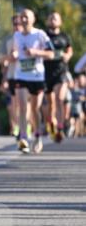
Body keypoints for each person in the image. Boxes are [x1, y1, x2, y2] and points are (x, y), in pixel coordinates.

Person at [9, 9, 53, 154]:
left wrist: (36, 53)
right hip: (21, 76)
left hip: (37, 77)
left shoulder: (40, 34)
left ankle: (37, 136)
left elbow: (51, 54)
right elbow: (14, 52)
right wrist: (13, 55)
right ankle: (23, 138)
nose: (24, 20)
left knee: (35, 109)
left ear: (33, 19)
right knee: (22, 106)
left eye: (27, 17)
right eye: (22, 17)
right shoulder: (16, 35)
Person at [43, 11, 73, 143]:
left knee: (59, 98)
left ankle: (60, 128)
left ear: (60, 21)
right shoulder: (43, 36)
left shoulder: (64, 36)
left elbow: (69, 49)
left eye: (55, 18)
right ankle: (51, 125)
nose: (53, 20)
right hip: (46, 73)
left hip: (61, 72)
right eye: (50, 18)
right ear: (47, 21)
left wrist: (68, 55)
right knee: (51, 103)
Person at [0, 13, 23, 137]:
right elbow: (1, 60)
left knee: (25, 102)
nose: (17, 26)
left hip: (28, 76)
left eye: (20, 23)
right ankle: (17, 126)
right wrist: (10, 57)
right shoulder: (7, 40)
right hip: (12, 75)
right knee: (13, 103)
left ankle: (25, 125)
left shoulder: (30, 37)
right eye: (15, 24)